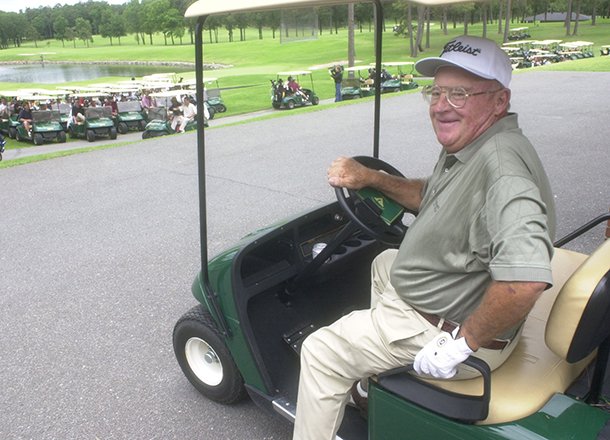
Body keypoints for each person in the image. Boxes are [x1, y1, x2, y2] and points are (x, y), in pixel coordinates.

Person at [293, 35, 556, 440]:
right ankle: (374, 380)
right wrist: (371, 179)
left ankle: (345, 379)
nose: (439, 106)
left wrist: (459, 345)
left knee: (321, 351)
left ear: (499, 100)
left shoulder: (503, 172)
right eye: (435, 92)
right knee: (385, 263)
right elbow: (428, 194)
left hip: (451, 333)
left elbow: (525, 281)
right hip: (450, 300)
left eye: (459, 93)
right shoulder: (476, 143)